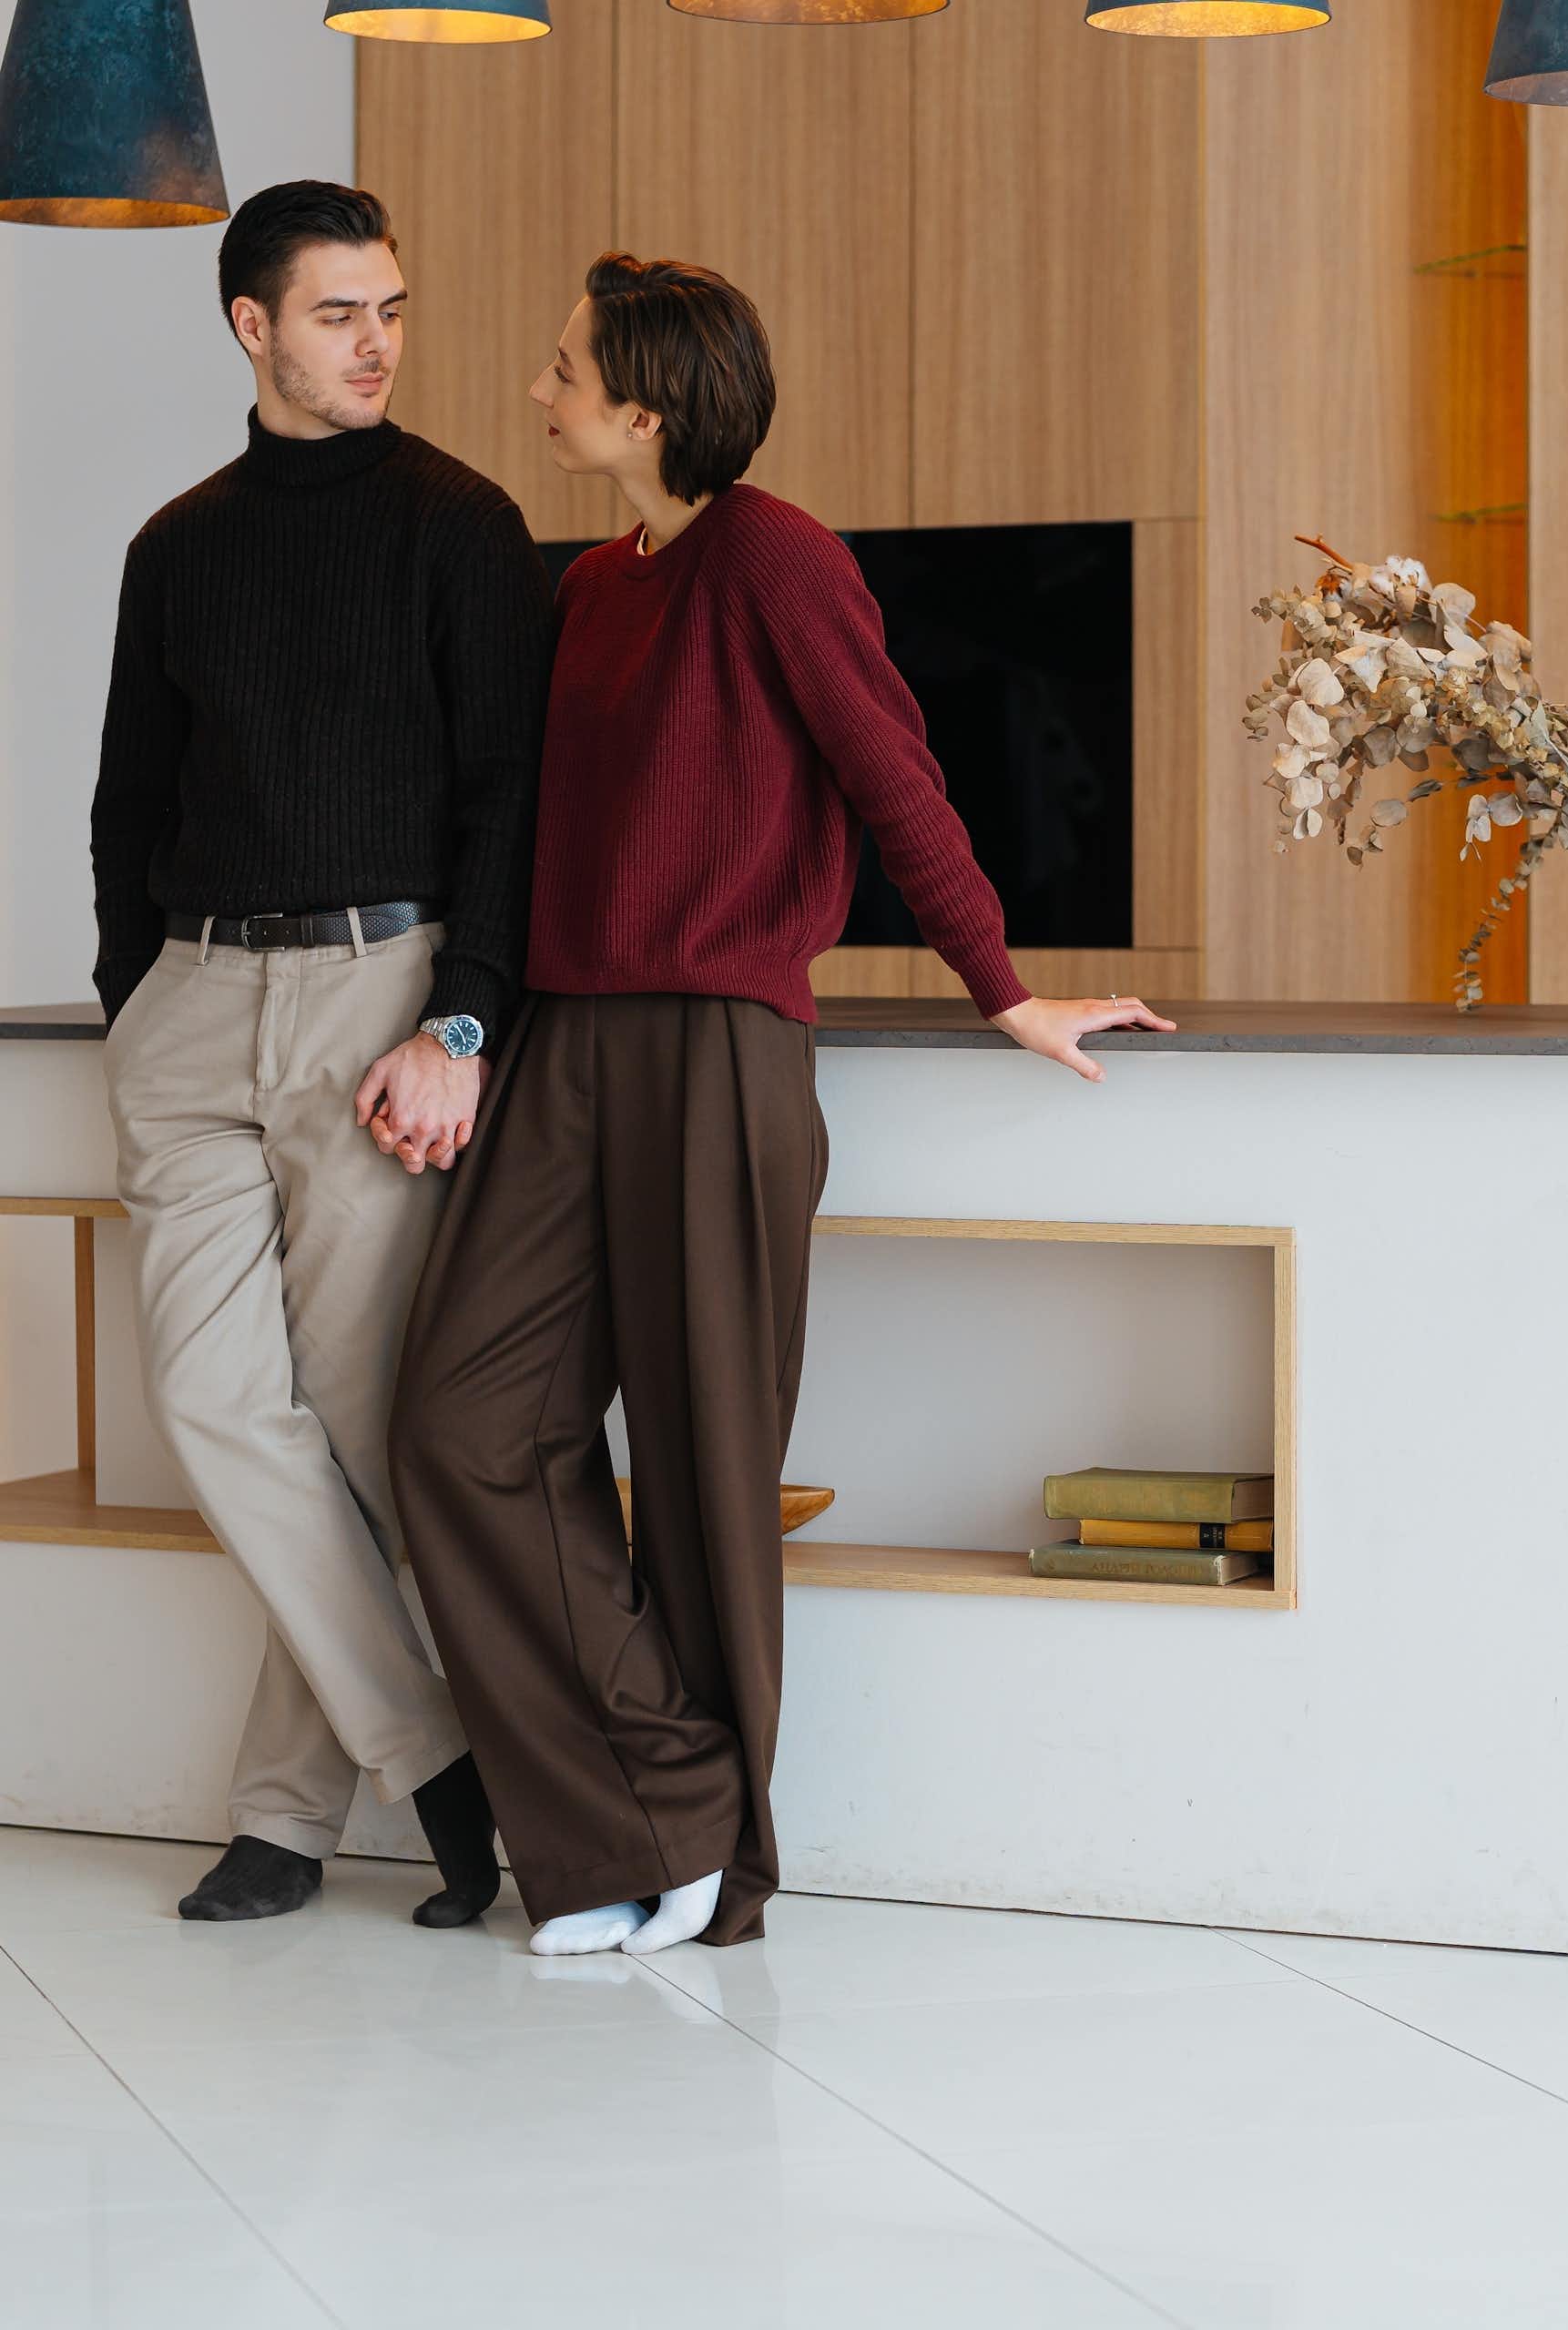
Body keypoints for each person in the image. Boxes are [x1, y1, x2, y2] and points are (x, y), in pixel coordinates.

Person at [388, 253, 1171, 1958]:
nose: (540, 386)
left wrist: (1005, 987)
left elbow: (900, 779)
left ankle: (706, 1863)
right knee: (457, 1428)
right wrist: (470, 1029)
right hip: (564, 1053)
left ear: (648, 405)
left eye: (566, 364)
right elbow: (530, 840)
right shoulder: (594, 586)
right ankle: (649, 1801)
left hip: (722, 1053)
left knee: (699, 1467)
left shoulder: (776, 558)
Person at [90, 182, 553, 1926]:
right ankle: (441, 1766)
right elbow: (127, 803)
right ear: (251, 327)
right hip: (194, 1005)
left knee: (349, 1425)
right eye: (342, 313)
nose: (378, 343)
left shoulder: (462, 522)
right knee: (220, 1404)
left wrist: (463, 1016)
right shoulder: (175, 549)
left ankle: (288, 1814)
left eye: (394, 309)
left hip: (384, 997)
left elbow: (516, 789)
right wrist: (136, 991)